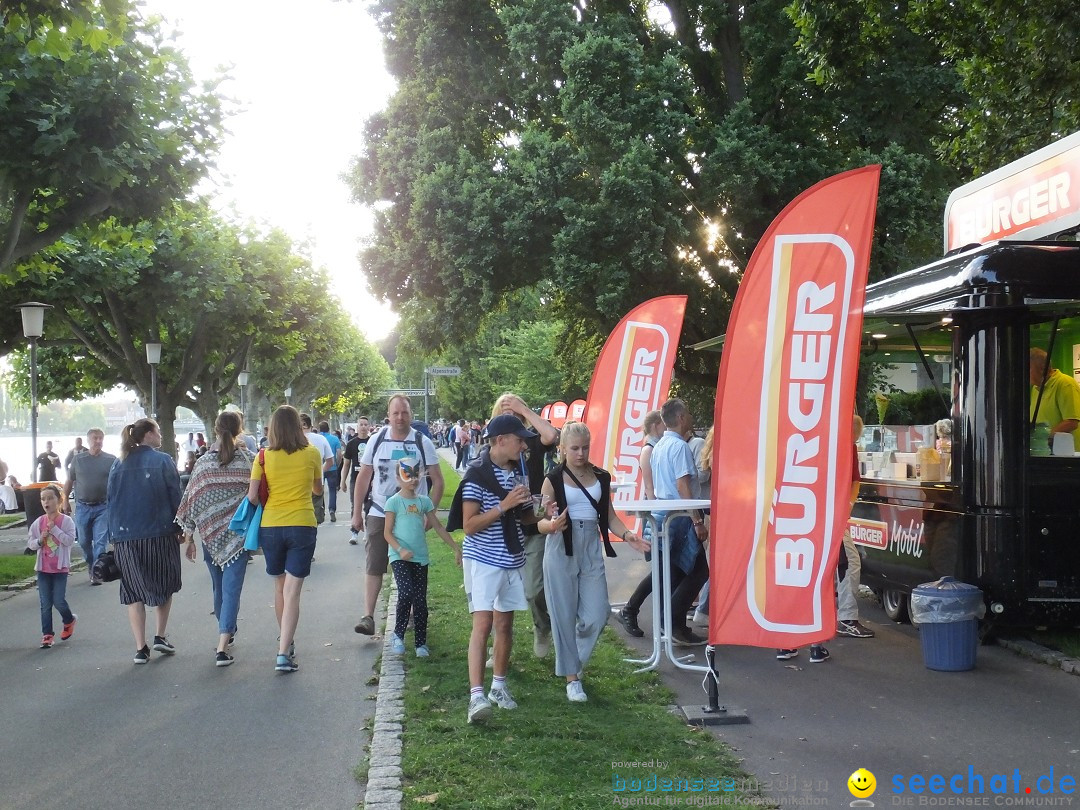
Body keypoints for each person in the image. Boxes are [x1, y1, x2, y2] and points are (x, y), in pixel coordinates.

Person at [538, 422, 649, 702]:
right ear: (562, 449)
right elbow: (542, 516)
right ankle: (572, 679)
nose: (580, 453)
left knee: (598, 613)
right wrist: (551, 518)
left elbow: (608, 515)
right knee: (562, 614)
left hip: (591, 547)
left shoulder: (601, 477)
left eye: (585, 447)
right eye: (574, 448)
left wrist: (627, 534)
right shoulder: (552, 478)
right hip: (561, 546)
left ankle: (571, 658)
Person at [455, 413, 537, 724]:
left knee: (505, 625)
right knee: (483, 625)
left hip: (511, 557)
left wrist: (542, 515)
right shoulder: (476, 474)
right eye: (519, 441)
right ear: (500, 441)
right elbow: (469, 525)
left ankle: (498, 687)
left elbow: (525, 518)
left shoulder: (519, 472)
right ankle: (476, 696)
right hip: (483, 558)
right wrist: (503, 505)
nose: (523, 447)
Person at [616, 399, 708, 646]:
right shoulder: (677, 447)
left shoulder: (660, 446)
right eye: (687, 413)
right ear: (679, 418)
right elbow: (682, 485)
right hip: (678, 516)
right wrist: (697, 519)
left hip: (665, 515)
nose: (689, 417)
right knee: (697, 570)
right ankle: (671, 621)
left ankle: (670, 622)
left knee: (673, 571)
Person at [351, 395, 443, 636]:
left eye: (404, 413)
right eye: (395, 413)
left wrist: (429, 514)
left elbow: (439, 481)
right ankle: (368, 616)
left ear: (410, 414)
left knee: (412, 563)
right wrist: (356, 513)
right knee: (374, 563)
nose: (400, 417)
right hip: (380, 511)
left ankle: (413, 614)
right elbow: (364, 477)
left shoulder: (423, 443)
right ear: (388, 415)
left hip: (412, 513)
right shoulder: (377, 440)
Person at [175, 411, 256, 667]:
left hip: (209, 536)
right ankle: (223, 644)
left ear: (216, 429)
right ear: (239, 430)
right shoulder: (249, 461)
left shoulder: (203, 463)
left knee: (219, 587)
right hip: (237, 537)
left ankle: (225, 632)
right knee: (231, 589)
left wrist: (189, 538)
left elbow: (191, 500)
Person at [247, 405, 323, 673]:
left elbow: (252, 496)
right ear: (298, 427)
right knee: (293, 591)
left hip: (271, 526)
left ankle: (285, 643)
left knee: (280, 588)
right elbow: (318, 489)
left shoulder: (263, 456)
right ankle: (283, 653)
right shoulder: (312, 453)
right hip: (301, 523)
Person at [107, 419, 184, 664]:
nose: (161, 435)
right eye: (158, 431)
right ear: (149, 434)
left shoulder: (117, 464)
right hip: (159, 533)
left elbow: (112, 500)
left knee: (132, 590)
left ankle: (141, 648)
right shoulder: (162, 461)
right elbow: (175, 495)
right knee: (166, 581)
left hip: (125, 536)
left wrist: (113, 536)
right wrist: (181, 527)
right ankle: (160, 635)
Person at [490, 392, 560, 658]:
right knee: (497, 594)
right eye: (505, 414)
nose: (511, 419)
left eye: (515, 415)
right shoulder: (494, 449)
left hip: (533, 526)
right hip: (504, 529)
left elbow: (552, 436)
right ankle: (497, 646)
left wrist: (525, 410)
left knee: (532, 590)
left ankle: (542, 627)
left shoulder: (530, 441)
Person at [384, 456, 462, 657]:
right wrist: (400, 550)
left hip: (420, 558)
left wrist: (455, 547)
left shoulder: (423, 502)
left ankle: (421, 642)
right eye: (406, 474)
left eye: (416, 474)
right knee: (406, 592)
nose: (412, 479)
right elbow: (387, 533)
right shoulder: (393, 502)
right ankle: (398, 635)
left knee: (420, 601)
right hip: (399, 557)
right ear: (398, 477)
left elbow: (437, 526)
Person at [27, 484, 77, 649]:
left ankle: (69, 620)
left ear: (59, 500)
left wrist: (55, 530)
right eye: (43, 499)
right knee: (45, 603)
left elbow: (70, 541)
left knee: (59, 601)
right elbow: (32, 543)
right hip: (43, 569)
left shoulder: (66, 521)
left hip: (60, 569)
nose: (46, 502)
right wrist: (40, 540)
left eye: (50, 498)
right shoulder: (38, 522)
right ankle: (47, 634)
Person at [64, 428, 116, 584]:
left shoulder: (110, 459)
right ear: (88, 440)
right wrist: (65, 500)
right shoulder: (78, 460)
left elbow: (117, 482)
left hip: (103, 507)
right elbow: (69, 481)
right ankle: (90, 562)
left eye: (100, 438)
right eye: (95, 438)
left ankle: (96, 572)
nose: (98, 441)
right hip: (83, 506)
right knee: (84, 541)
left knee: (100, 542)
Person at [1029, 347, 1080, 451]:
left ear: (1043, 368)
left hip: (1066, 456)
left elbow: (1071, 422)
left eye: (1028, 368)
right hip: (1045, 453)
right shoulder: (1035, 388)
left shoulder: (1065, 383)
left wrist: (1041, 439)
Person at [341, 416, 371, 543]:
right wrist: (343, 481)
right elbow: (346, 464)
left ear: (368, 427)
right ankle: (354, 532)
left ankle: (368, 532)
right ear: (357, 427)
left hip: (370, 479)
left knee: (369, 506)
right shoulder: (351, 444)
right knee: (355, 506)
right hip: (355, 479)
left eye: (365, 424)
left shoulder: (372, 442)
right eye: (361, 424)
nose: (363, 427)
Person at [319, 420, 343, 522]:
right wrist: (337, 464)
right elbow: (339, 454)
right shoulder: (335, 439)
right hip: (332, 468)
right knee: (332, 490)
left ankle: (321, 510)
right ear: (329, 428)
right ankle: (332, 509)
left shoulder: (318, 439)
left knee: (320, 490)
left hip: (320, 468)